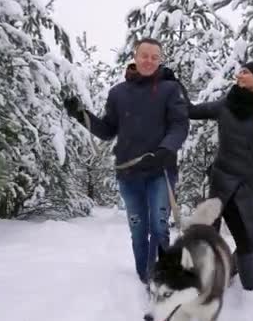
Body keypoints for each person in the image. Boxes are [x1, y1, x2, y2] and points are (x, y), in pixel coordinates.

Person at [64, 38, 189, 284]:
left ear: (160, 59)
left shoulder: (170, 89)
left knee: (159, 226)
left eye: (155, 56)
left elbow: (179, 125)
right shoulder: (118, 93)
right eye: (145, 55)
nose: (149, 60)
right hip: (129, 173)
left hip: (160, 169)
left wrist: (166, 149)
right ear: (135, 56)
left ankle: (159, 279)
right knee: (138, 228)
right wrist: (80, 114)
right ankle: (145, 275)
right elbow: (108, 130)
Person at [184, 62, 253, 292]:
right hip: (223, 180)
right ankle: (208, 281)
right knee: (212, 232)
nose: (239, 74)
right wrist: (174, 87)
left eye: (245, 72)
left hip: (252, 183)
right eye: (240, 71)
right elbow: (192, 111)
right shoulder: (226, 104)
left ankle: (240, 281)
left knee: (251, 238)